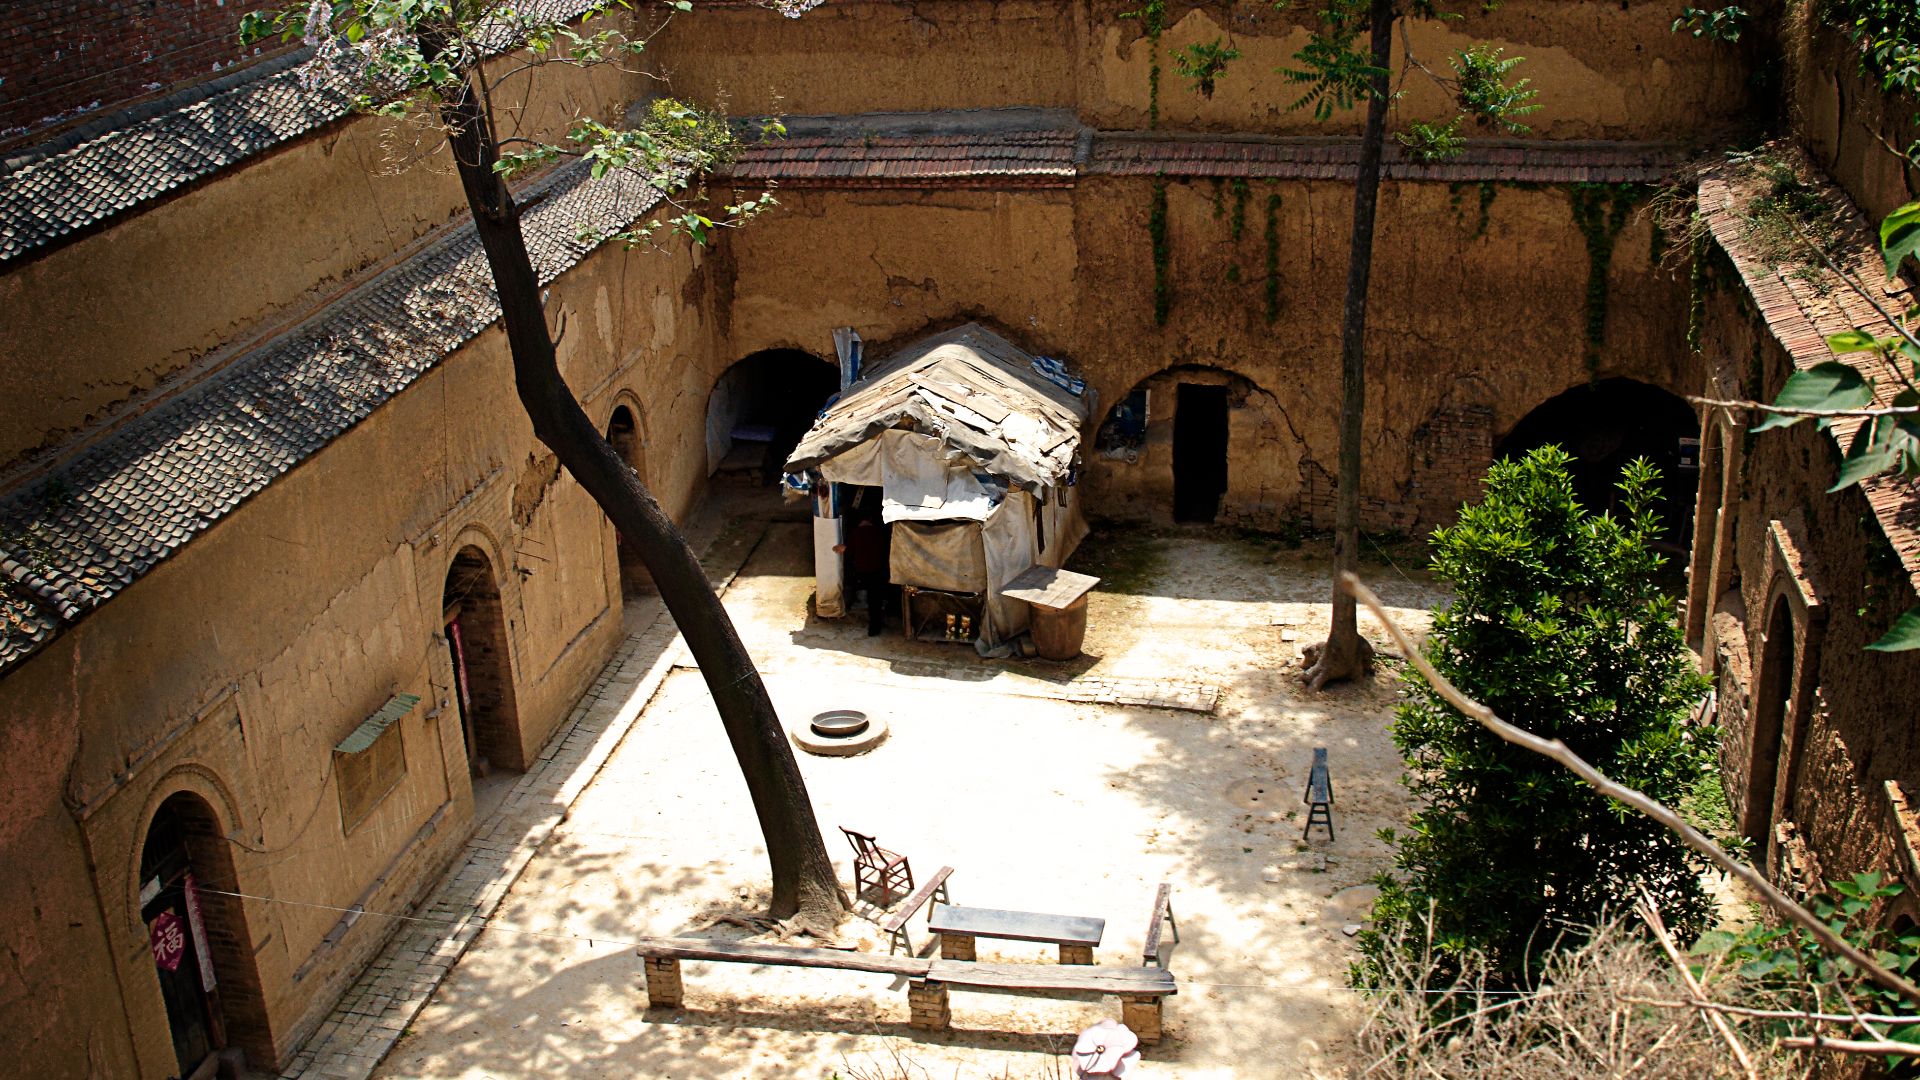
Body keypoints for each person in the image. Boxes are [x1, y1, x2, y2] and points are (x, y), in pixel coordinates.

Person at [837, 510, 891, 636]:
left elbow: (850, 552)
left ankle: (873, 627)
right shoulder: (879, 532)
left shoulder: (855, 533)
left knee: (868, 598)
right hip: (879, 570)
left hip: (863, 572)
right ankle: (877, 627)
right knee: (876, 600)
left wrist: (842, 548)